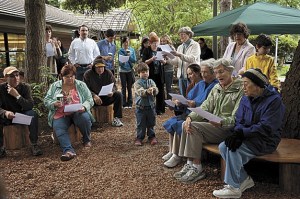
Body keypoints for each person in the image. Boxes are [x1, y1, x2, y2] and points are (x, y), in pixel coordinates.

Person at [212, 68, 285, 198]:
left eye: (246, 83)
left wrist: (242, 134)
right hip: (249, 137)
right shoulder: (246, 98)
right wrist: (238, 133)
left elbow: (266, 127)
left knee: (234, 150)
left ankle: (234, 188)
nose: (243, 87)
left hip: (266, 140)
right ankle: (244, 179)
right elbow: (239, 120)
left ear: (257, 85)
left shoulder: (274, 101)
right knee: (223, 146)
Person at [174, 58, 244, 183]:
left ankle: (197, 167)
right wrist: (190, 117)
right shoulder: (217, 88)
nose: (218, 75)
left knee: (194, 127)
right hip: (213, 126)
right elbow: (205, 107)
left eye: (221, 72)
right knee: (187, 123)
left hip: (227, 129)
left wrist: (221, 122)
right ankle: (190, 163)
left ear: (230, 71)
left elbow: (236, 118)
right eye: (216, 72)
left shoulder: (240, 89)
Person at [162, 60, 218, 168]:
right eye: (202, 72)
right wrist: (179, 102)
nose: (203, 75)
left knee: (179, 124)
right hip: (190, 112)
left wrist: (194, 103)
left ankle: (177, 154)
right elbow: (188, 98)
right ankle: (173, 149)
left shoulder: (215, 86)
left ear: (213, 73)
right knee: (172, 121)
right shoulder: (200, 84)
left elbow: (208, 104)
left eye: (206, 72)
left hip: (202, 115)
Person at [44, 64, 94, 161]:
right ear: (61, 77)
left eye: (72, 76)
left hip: (77, 111)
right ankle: (68, 151)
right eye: (67, 77)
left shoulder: (80, 85)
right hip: (61, 113)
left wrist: (84, 106)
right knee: (58, 127)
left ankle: (86, 139)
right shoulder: (55, 86)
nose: (70, 79)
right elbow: (46, 100)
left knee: (84, 118)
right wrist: (54, 103)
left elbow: (89, 99)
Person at [0, 66, 43, 157]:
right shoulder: (1, 89)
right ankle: (1, 148)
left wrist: (17, 96)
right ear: (5, 78)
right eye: (12, 76)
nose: (16, 78)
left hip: (19, 116)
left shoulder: (25, 87)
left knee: (32, 114)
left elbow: (29, 106)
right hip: (6, 117)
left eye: (17, 75)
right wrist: (5, 113)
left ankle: (34, 144)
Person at [83, 56, 123, 127]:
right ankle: (90, 121)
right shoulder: (88, 74)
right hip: (93, 99)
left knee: (118, 94)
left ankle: (116, 118)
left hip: (106, 96)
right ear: (94, 67)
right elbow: (85, 89)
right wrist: (94, 95)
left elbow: (114, 86)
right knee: (85, 100)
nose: (100, 69)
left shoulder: (108, 73)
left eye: (102, 67)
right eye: (98, 67)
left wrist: (112, 92)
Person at [166, 27, 201, 97]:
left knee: (192, 96)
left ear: (189, 34)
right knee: (183, 97)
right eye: (180, 34)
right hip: (181, 77)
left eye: (183, 34)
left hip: (191, 76)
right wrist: (167, 59)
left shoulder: (195, 45)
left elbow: (192, 58)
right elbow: (176, 62)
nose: (181, 36)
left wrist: (178, 54)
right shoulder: (180, 47)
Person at [133, 62, 158, 146]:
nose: (145, 73)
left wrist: (153, 90)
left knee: (151, 122)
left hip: (151, 107)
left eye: (147, 71)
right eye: (143, 72)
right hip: (140, 108)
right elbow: (140, 92)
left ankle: (151, 136)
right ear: (139, 73)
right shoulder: (137, 83)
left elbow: (156, 89)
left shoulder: (151, 81)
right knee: (141, 123)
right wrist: (147, 91)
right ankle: (139, 137)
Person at [142, 34, 165, 115]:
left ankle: (160, 109)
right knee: (151, 90)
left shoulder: (160, 49)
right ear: (150, 43)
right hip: (151, 73)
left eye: (156, 43)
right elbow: (144, 62)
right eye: (154, 43)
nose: (155, 45)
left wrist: (162, 60)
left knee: (160, 91)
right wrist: (152, 59)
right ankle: (150, 108)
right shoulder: (147, 50)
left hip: (159, 73)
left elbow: (165, 61)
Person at [118, 36, 137, 109]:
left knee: (129, 87)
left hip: (129, 70)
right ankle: (123, 103)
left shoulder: (132, 50)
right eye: (125, 42)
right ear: (123, 43)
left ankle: (130, 102)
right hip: (122, 71)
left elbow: (134, 60)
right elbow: (120, 63)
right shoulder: (120, 51)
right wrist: (124, 59)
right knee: (123, 87)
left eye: (127, 42)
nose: (126, 43)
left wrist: (129, 56)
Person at [160, 35, 175, 99]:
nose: (163, 42)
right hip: (162, 69)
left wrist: (166, 59)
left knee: (168, 87)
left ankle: (169, 101)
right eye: (161, 41)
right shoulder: (160, 47)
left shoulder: (171, 48)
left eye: (164, 41)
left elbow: (174, 59)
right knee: (162, 86)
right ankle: (164, 101)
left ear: (168, 41)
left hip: (169, 69)